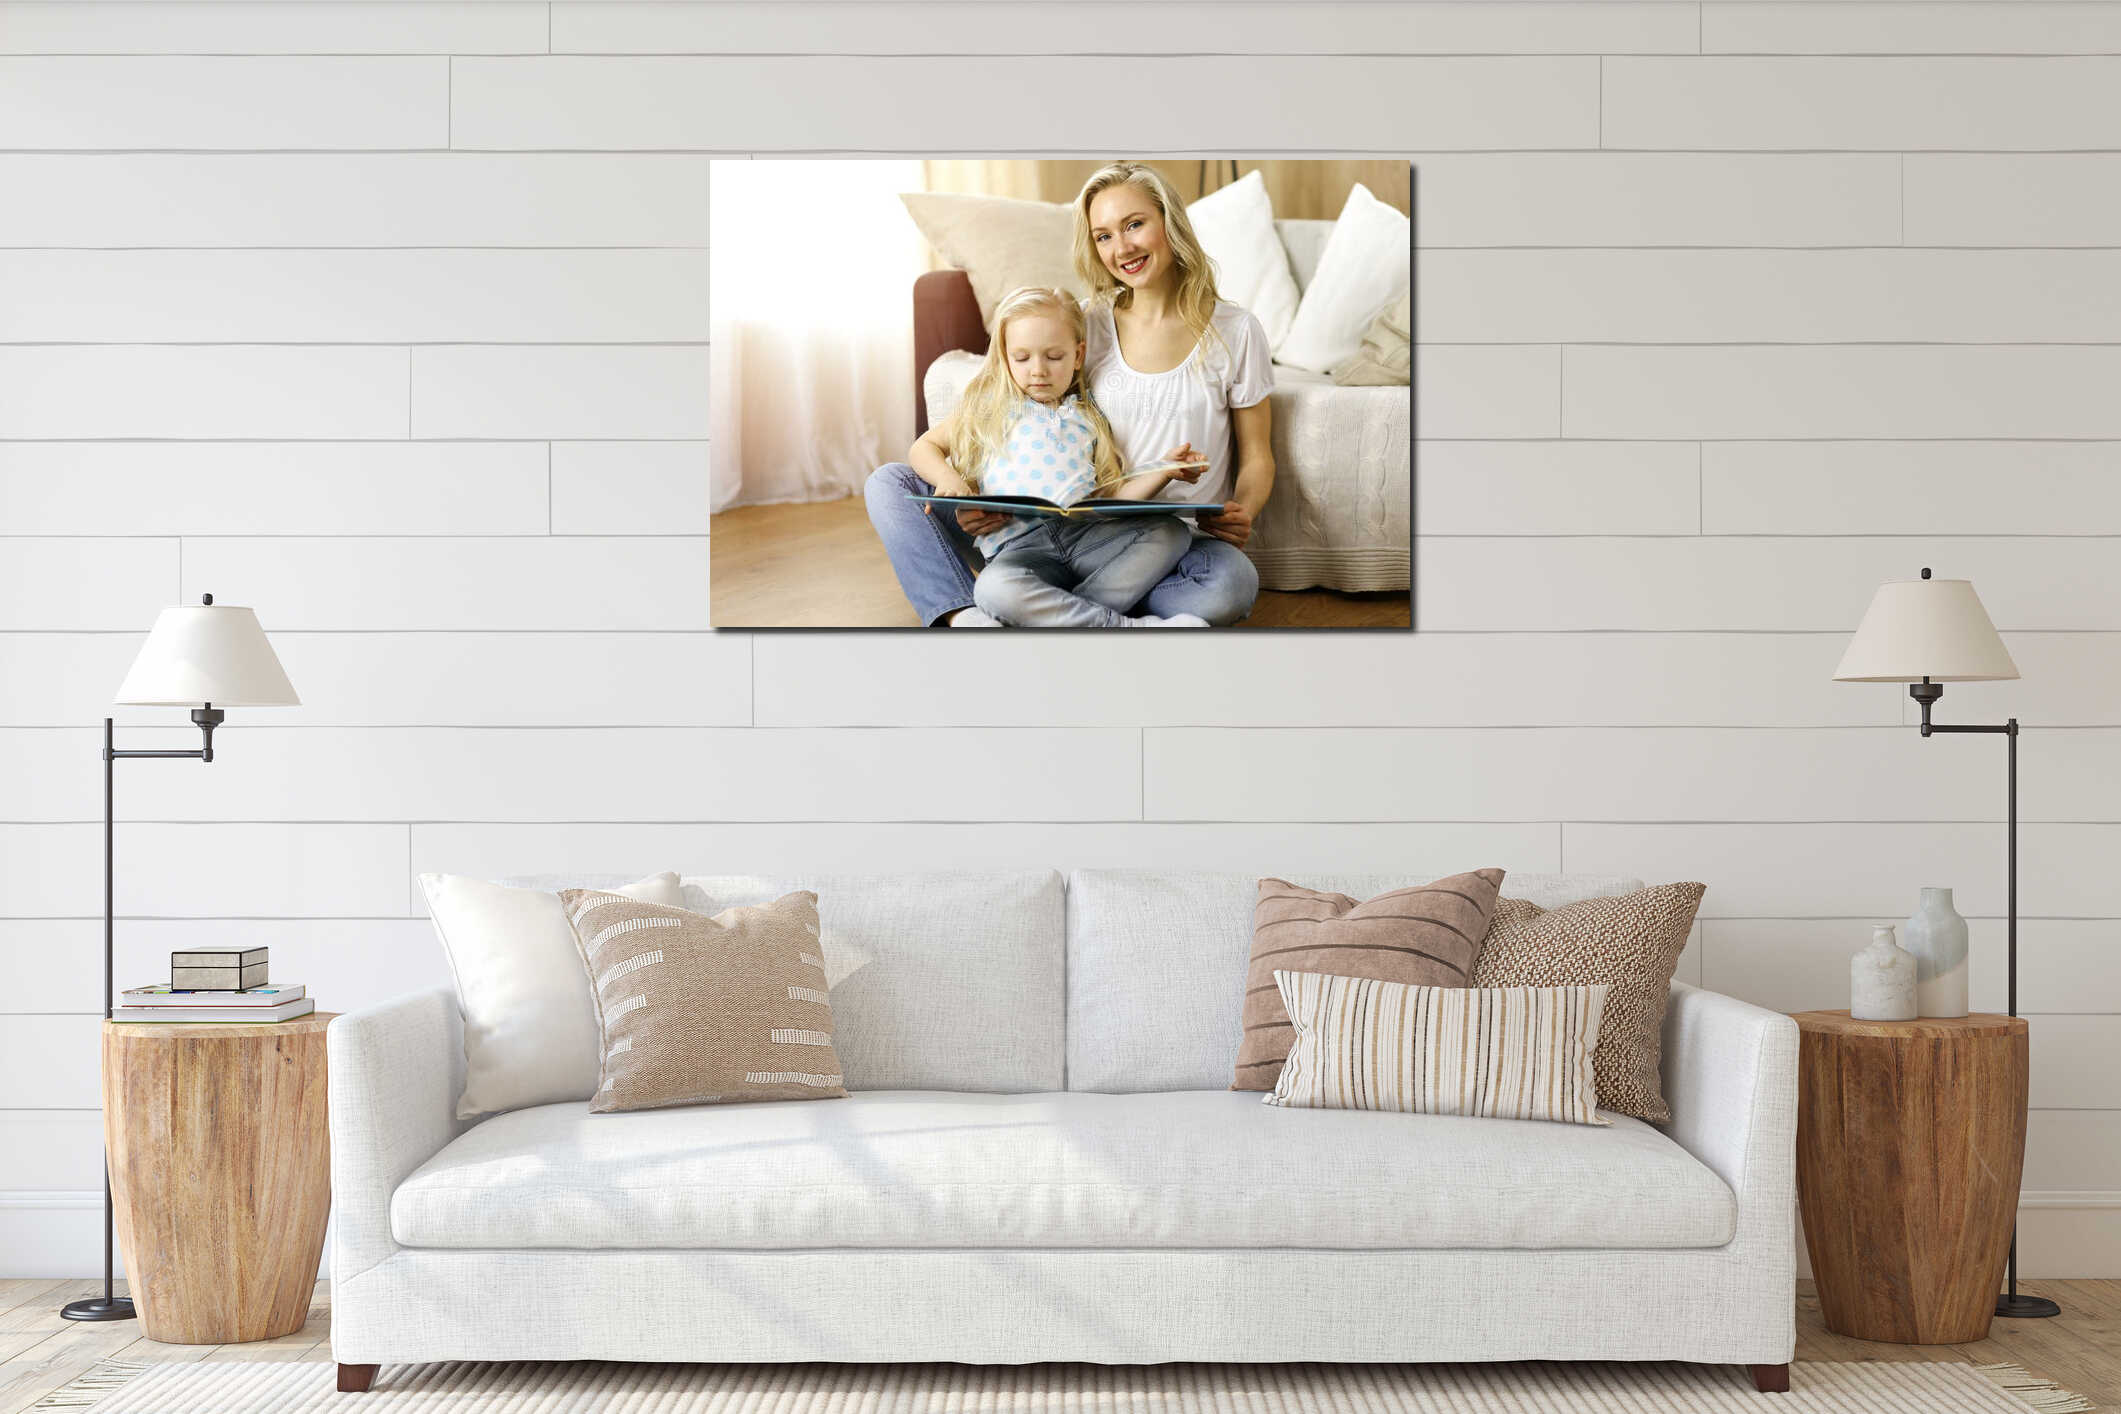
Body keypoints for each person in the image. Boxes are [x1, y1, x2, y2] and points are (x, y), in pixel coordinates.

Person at [866, 159, 1276, 627]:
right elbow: (1019, 399)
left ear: (1170, 221)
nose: (1121, 248)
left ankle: (1038, 610)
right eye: (1103, 236)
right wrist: (974, 496)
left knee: (1231, 585)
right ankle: (967, 615)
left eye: (1134, 225)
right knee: (890, 484)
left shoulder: (1236, 331)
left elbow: (1258, 456)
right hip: (1045, 528)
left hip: (1158, 539)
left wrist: (1242, 510)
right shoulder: (1086, 323)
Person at [905, 287, 1209, 628]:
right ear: (1005, 357)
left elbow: (1112, 498)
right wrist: (950, 480)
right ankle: (1126, 629)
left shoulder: (1087, 416)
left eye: (1054, 357)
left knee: (1171, 533)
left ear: (1078, 356)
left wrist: (1165, 471)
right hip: (1020, 548)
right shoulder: (989, 408)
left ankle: (1051, 618)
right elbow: (923, 447)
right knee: (992, 590)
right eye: (1022, 358)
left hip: (1086, 538)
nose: (1038, 370)